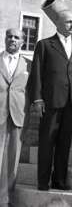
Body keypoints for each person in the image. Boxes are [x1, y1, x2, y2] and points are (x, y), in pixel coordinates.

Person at [30, 11, 72, 191]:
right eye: (68, 22)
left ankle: (59, 180)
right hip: (51, 101)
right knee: (47, 141)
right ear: (58, 24)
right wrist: (37, 99)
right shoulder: (45, 45)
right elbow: (36, 73)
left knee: (65, 142)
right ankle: (43, 181)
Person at [0, 28, 30, 207]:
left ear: (22, 42)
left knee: (12, 160)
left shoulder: (29, 65)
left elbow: (33, 90)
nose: (12, 39)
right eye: (9, 36)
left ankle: (5, 201)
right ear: (5, 39)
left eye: (16, 37)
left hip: (18, 115)